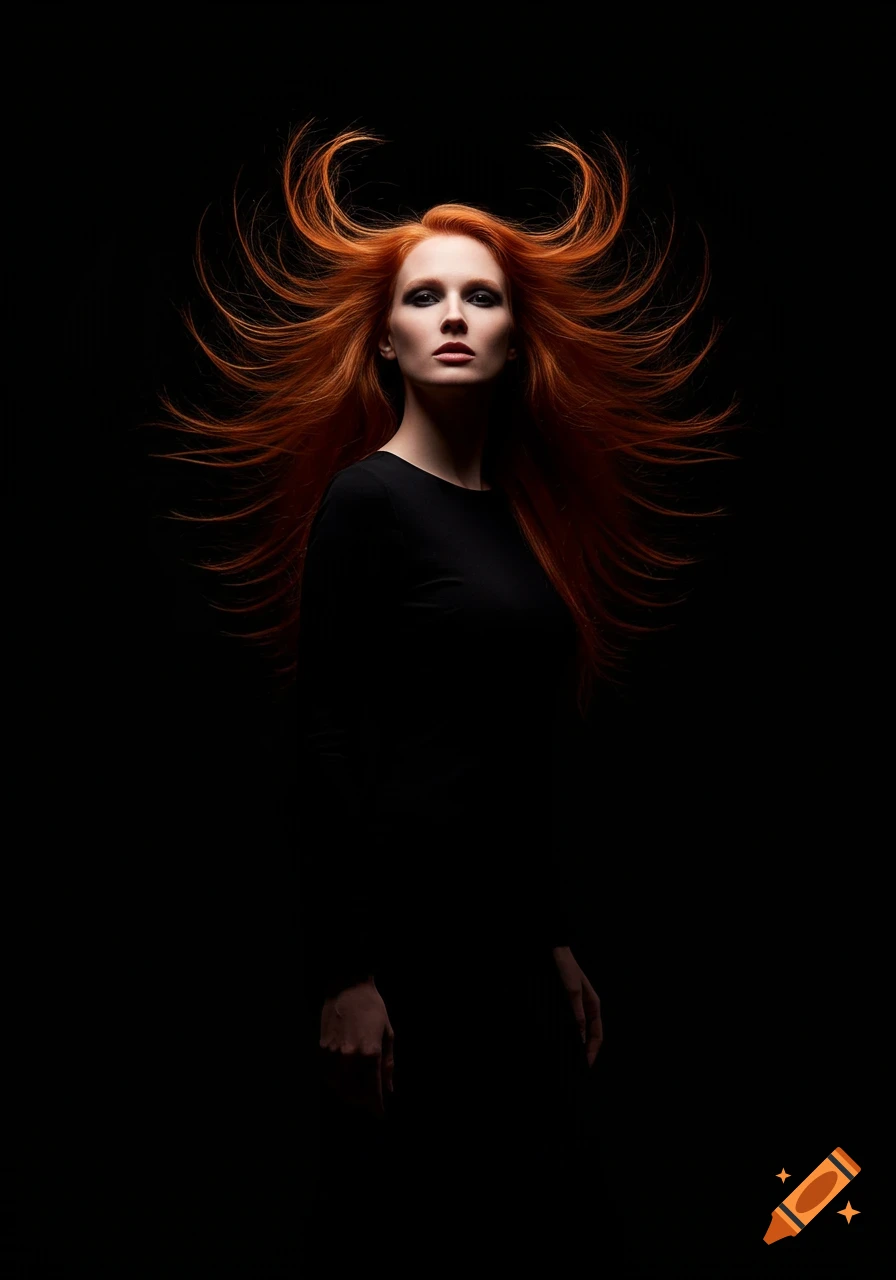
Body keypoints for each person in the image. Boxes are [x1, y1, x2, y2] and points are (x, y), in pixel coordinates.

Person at [157, 122, 737, 1265]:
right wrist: (344, 974)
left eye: (480, 295)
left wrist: (553, 937)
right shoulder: (366, 504)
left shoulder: (519, 518)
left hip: (505, 950)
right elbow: (327, 739)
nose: (456, 315)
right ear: (384, 339)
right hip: (407, 951)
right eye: (425, 298)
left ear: (519, 336)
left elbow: (510, 752)